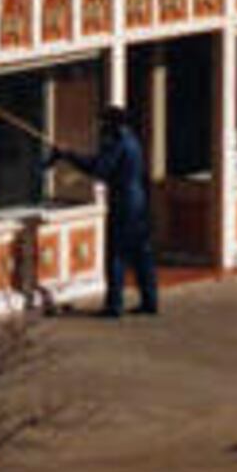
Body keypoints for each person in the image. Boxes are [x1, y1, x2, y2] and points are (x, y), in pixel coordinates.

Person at [53, 103, 159, 316]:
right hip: (139, 203)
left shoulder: (117, 143)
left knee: (116, 255)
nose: (100, 128)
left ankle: (114, 305)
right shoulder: (132, 140)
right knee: (141, 255)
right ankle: (150, 301)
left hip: (124, 205)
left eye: (102, 123)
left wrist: (69, 155)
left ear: (111, 124)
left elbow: (99, 169)